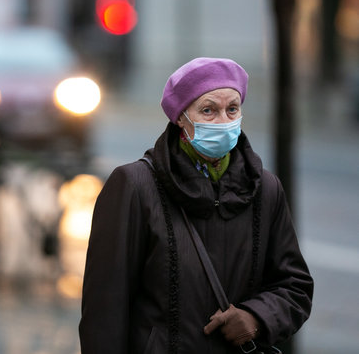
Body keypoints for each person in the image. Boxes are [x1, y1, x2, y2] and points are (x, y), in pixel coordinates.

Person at [79, 57, 313, 353]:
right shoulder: (134, 185)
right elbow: (105, 309)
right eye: (208, 110)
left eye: (232, 109)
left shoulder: (265, 189)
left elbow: (295, 286)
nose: (224, 121)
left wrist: (256, 317)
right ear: (180, 118)